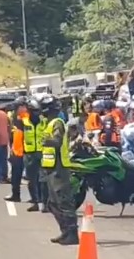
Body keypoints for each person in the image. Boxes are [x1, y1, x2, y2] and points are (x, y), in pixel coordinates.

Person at [39, 95, 79, 245]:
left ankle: (72, 233)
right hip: (50, 168)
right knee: (52, 203)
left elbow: (56, 141)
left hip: (59, 168)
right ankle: (65, 231)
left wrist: (45, 140)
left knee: (64, 202)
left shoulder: (57, 123)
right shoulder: (48, 123)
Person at [17, 99, 49, 212]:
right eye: (33, 110)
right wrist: (18, 152)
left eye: (37, 111)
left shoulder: (44, 121)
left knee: (43, 179)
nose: (36, 113)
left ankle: (45, 204)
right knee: (31, 180)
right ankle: (35, 202)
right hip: (29, 154)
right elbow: (18, 137)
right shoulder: (23, 121)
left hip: (42, 153)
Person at [4, 98, 28, 202]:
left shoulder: (27, 119)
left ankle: (37, 198)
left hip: (26, 152)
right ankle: (15, 195)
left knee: (32, 177)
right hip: (17, 152)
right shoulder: (16, 118)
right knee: (15, 177)